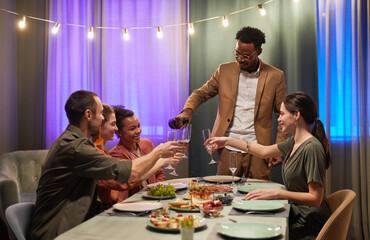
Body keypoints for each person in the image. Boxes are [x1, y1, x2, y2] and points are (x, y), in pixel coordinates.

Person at [31, 90, 184, 240]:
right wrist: (158, 153)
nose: (103, 118)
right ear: (89, 115)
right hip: (59, 232)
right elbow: (128, 174)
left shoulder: (76, 143)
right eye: (101, 114)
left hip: (76, 226)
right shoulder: (75, 148)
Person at [205, 92, 332, 239]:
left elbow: (315, 198)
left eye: (282, 114)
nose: (278, 119)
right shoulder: (294, 142)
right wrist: (227, 141)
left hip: (308, 225)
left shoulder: (311, 147)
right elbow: (263, 151)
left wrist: (278, 193)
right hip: (296, 215)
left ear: (296, 115)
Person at [172, 26, 287, 180]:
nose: (240, 59)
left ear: (258, 52)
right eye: (237, 53)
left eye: (246, 56)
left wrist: (278, 148)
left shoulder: (275, 75)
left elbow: (283, 114)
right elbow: (201, 93)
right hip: (226, 145)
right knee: (223, 192)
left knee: (260, 193)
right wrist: (187, 111)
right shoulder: (224, 70)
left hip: (259, 147)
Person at [93, 105, 181, 206]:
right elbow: (128, 183)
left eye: (138, 126)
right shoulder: (115, 154)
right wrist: (160, 161)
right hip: (136, 203)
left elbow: (159, 174)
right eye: (132, 128)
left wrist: (157, 192)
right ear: (119, 132)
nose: (138, 131)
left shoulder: (147, 144)